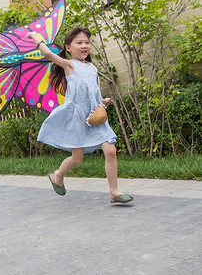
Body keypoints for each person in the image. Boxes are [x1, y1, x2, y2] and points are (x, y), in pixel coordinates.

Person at [26, 28, 134, 203]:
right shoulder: (69, 65)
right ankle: (58, 175)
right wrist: (34, 36)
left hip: (94, 115)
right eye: (79, 43)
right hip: (77, 118)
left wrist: (102, 100)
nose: (84, 46)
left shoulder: (92, 68)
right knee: (77, 159)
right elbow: (46, 52)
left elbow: (92, 91)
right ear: (68, 47)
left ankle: (113, 191)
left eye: (87, 42)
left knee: (111, 150)